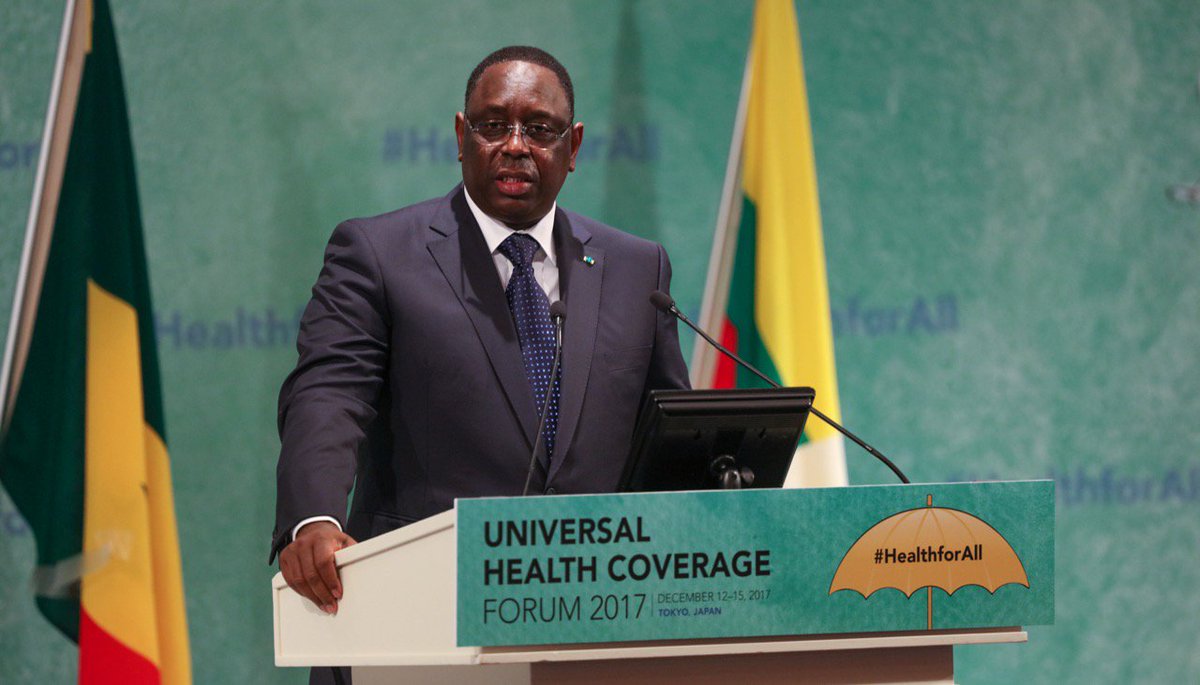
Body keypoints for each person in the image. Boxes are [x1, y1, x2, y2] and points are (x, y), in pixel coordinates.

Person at [271, 45, 690, 630]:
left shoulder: (637, 269)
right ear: (461, 137)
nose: (514, 145)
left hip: (598, 611)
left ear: (572, 148)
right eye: (493, 126)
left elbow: (670, 435)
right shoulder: (378, 254)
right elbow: (330, 395)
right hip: (423, 605)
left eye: (539, 129)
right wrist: (314, 517)